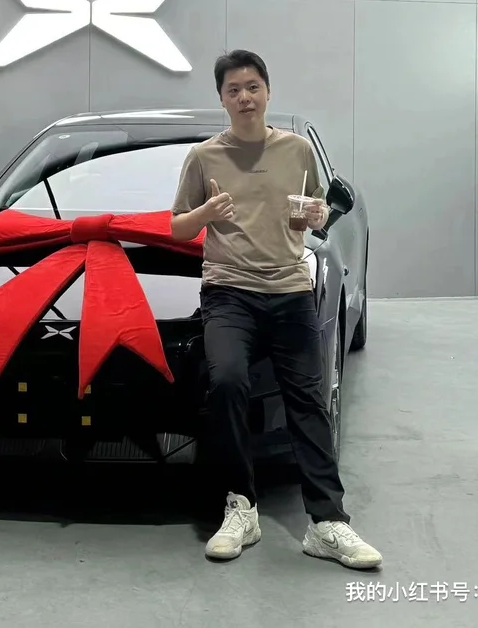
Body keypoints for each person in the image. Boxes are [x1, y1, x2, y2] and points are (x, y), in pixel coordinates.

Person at [170, 49, 381, 569]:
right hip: (229, 290)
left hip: (289, 288)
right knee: (227, 382)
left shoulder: (297, 150)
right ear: (221, 99)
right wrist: (206, 211)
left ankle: (327, 523)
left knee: (308, 399)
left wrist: (316, 215)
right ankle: (241, 507)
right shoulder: (204, 157)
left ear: (267, 92)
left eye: (252, 87)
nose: (244, 97)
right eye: (233, 90)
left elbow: (316, 212)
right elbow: (177, 227)